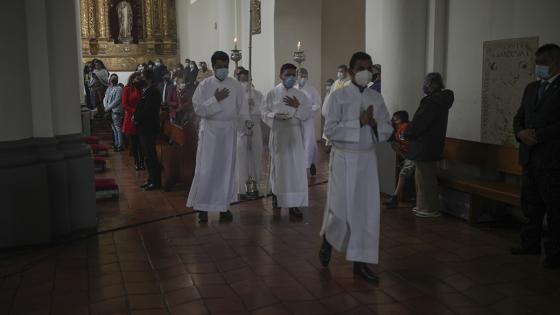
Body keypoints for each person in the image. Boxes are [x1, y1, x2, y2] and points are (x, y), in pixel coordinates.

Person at [319, 52, 393, 283]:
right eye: (361, 68)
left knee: (366, 211)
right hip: (343, 159)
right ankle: (329, 239)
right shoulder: (337, 97)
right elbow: (330, 131)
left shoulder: (376, 98)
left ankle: (361, 262)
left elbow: (388, 129)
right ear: (351, 72)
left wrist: (373, 124)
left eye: (369, 68)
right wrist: (357, 123)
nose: (366, 72)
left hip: (366, 160)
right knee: (340, 209)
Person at [512, 43, 560, 269]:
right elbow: (519, 117)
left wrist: (538, 135)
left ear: (556, 63)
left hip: (552, 160)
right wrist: (520, 133)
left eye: (544, 63)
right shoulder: (531, 88)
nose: (539, 67)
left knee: (554, 208)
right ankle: (529, 244)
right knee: (530, 205)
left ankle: (554, 254)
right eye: (537, 63)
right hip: (529, 157)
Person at [186, 51, 249, 223]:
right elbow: (198, 109)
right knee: (206, 168)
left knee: (225, 169)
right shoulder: (204, 85)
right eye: (219, 66)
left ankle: (223, 207)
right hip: (211, 131)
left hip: (228, 131)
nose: (223, 69)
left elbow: (242, 108)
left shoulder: (235, 85)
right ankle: (203, 207)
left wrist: (246, 123)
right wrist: (215, 99)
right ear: (213, 67)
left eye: (225, 66)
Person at [262, 63, 312, 219]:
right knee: (280, 168)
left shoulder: (301, 94)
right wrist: (273, 116)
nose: (291, 78)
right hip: (279, 133)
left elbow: (307, 114)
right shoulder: (272, 93)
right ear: (280, 75)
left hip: (294, 133)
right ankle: (277, 196)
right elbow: (263, 112)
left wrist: (298, 106)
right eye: (287, 75)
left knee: (296, 169)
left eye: (293, 75)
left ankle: (294, 204)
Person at [403, 72, 454, 218]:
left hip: (425, 143)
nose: (424, 86)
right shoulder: (440, 101)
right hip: (432, 142)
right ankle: (422, 205)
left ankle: (430, 207)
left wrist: (407, 132)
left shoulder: (431, 102)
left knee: (426, 177)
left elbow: (420, 122)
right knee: (422, 175)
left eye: (426, 83)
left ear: (431, 84)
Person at [236, 69, 264, 198]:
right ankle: (241, 187)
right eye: (241, 80)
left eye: (246, 80)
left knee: (255, 157)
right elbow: (233, 113)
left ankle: (254, 185)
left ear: (251, 80)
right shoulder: (235, 95)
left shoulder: (258, 95)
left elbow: (263, 111)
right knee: (241, 158)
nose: (244, 83)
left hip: (255, 129)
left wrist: (254, 107)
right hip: (241, 131)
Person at [134, 69, 162, 191]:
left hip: (149, 127)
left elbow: (148, 111)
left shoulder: (153, 92)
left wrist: (136, 117)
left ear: (149, 79)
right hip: (143, 127)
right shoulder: (146, 91)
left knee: (151, 155)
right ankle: (150, 179)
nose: (140, 78)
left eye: (142, 76)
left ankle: (155, 181)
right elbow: (141, 107)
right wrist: (135, 116)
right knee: (147, 155)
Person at [384, 111, 415, 207]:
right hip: (408, 155)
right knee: (393, 144)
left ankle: (395, 198)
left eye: (395, 118)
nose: (393, 120)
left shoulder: (406, 127)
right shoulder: (398, 128)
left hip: (414, 155)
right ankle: (395, 198)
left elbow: (407, 142)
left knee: (402, 174)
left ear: (401, 119)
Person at [296, 68, 321, 176]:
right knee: (298, 143)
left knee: (309, 143)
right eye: (300, 75)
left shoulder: (312, 90)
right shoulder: (293, 89)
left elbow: (317, 104)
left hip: (308, 121)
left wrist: (308, 110)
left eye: (304, 76)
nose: (302, 78)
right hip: (296, 121)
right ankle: (298, 166)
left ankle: (309, 164)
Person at [122, 72, 144, 170]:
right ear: (132, 79)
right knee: (134, 143)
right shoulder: (127, 89)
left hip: (142, 119)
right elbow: (125, 104)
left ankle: (142, 162)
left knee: (141, 143)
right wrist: (136, 112)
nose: (138, 80)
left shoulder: (142, 89)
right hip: (131, 118)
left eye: (140, 79)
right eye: (137, 78)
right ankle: (136, 161)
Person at [103, 74, 124, 151]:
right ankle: (116, 144)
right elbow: (105, 98)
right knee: (114, 129)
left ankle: (120, 145)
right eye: (112, 78)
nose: (112, 80)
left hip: (116, 110)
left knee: (118, 128)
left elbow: (117, 100)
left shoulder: (119, 88)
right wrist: (105, 106)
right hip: (109, 111)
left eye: (114, 79)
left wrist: (108, 107)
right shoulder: (109, 89)